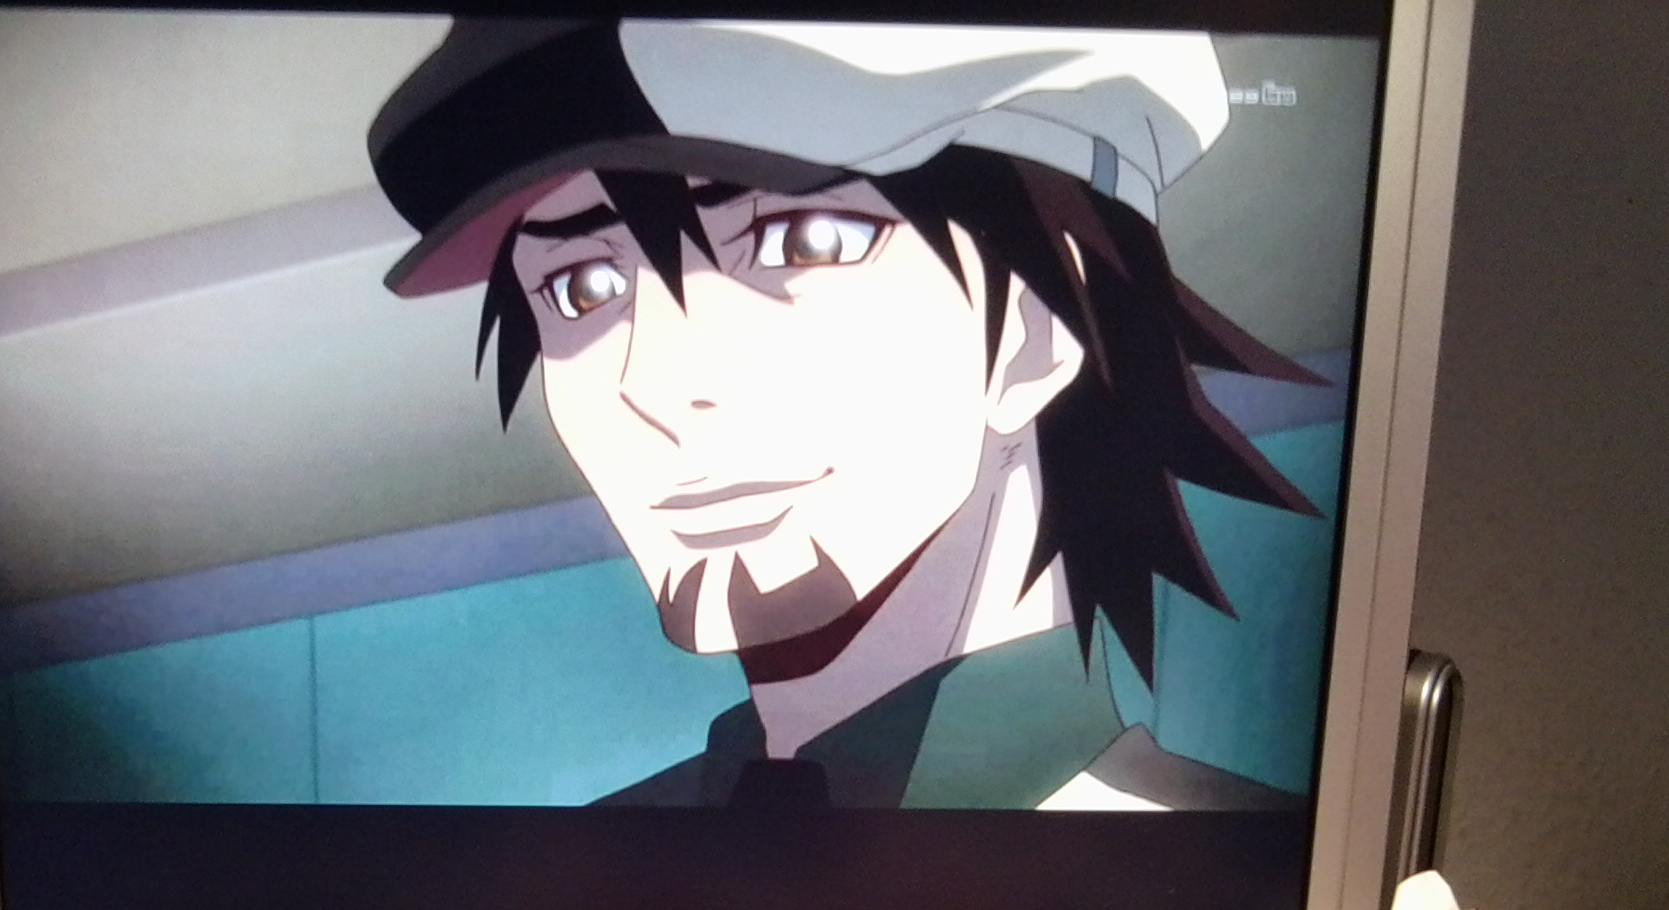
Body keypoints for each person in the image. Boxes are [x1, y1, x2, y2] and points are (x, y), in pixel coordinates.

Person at [370, 18, 1325, 809]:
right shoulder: (573, 882)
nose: (653, 385)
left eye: (805, 242)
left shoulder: (1231, 883)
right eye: (582, 288)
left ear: (1038, 329)